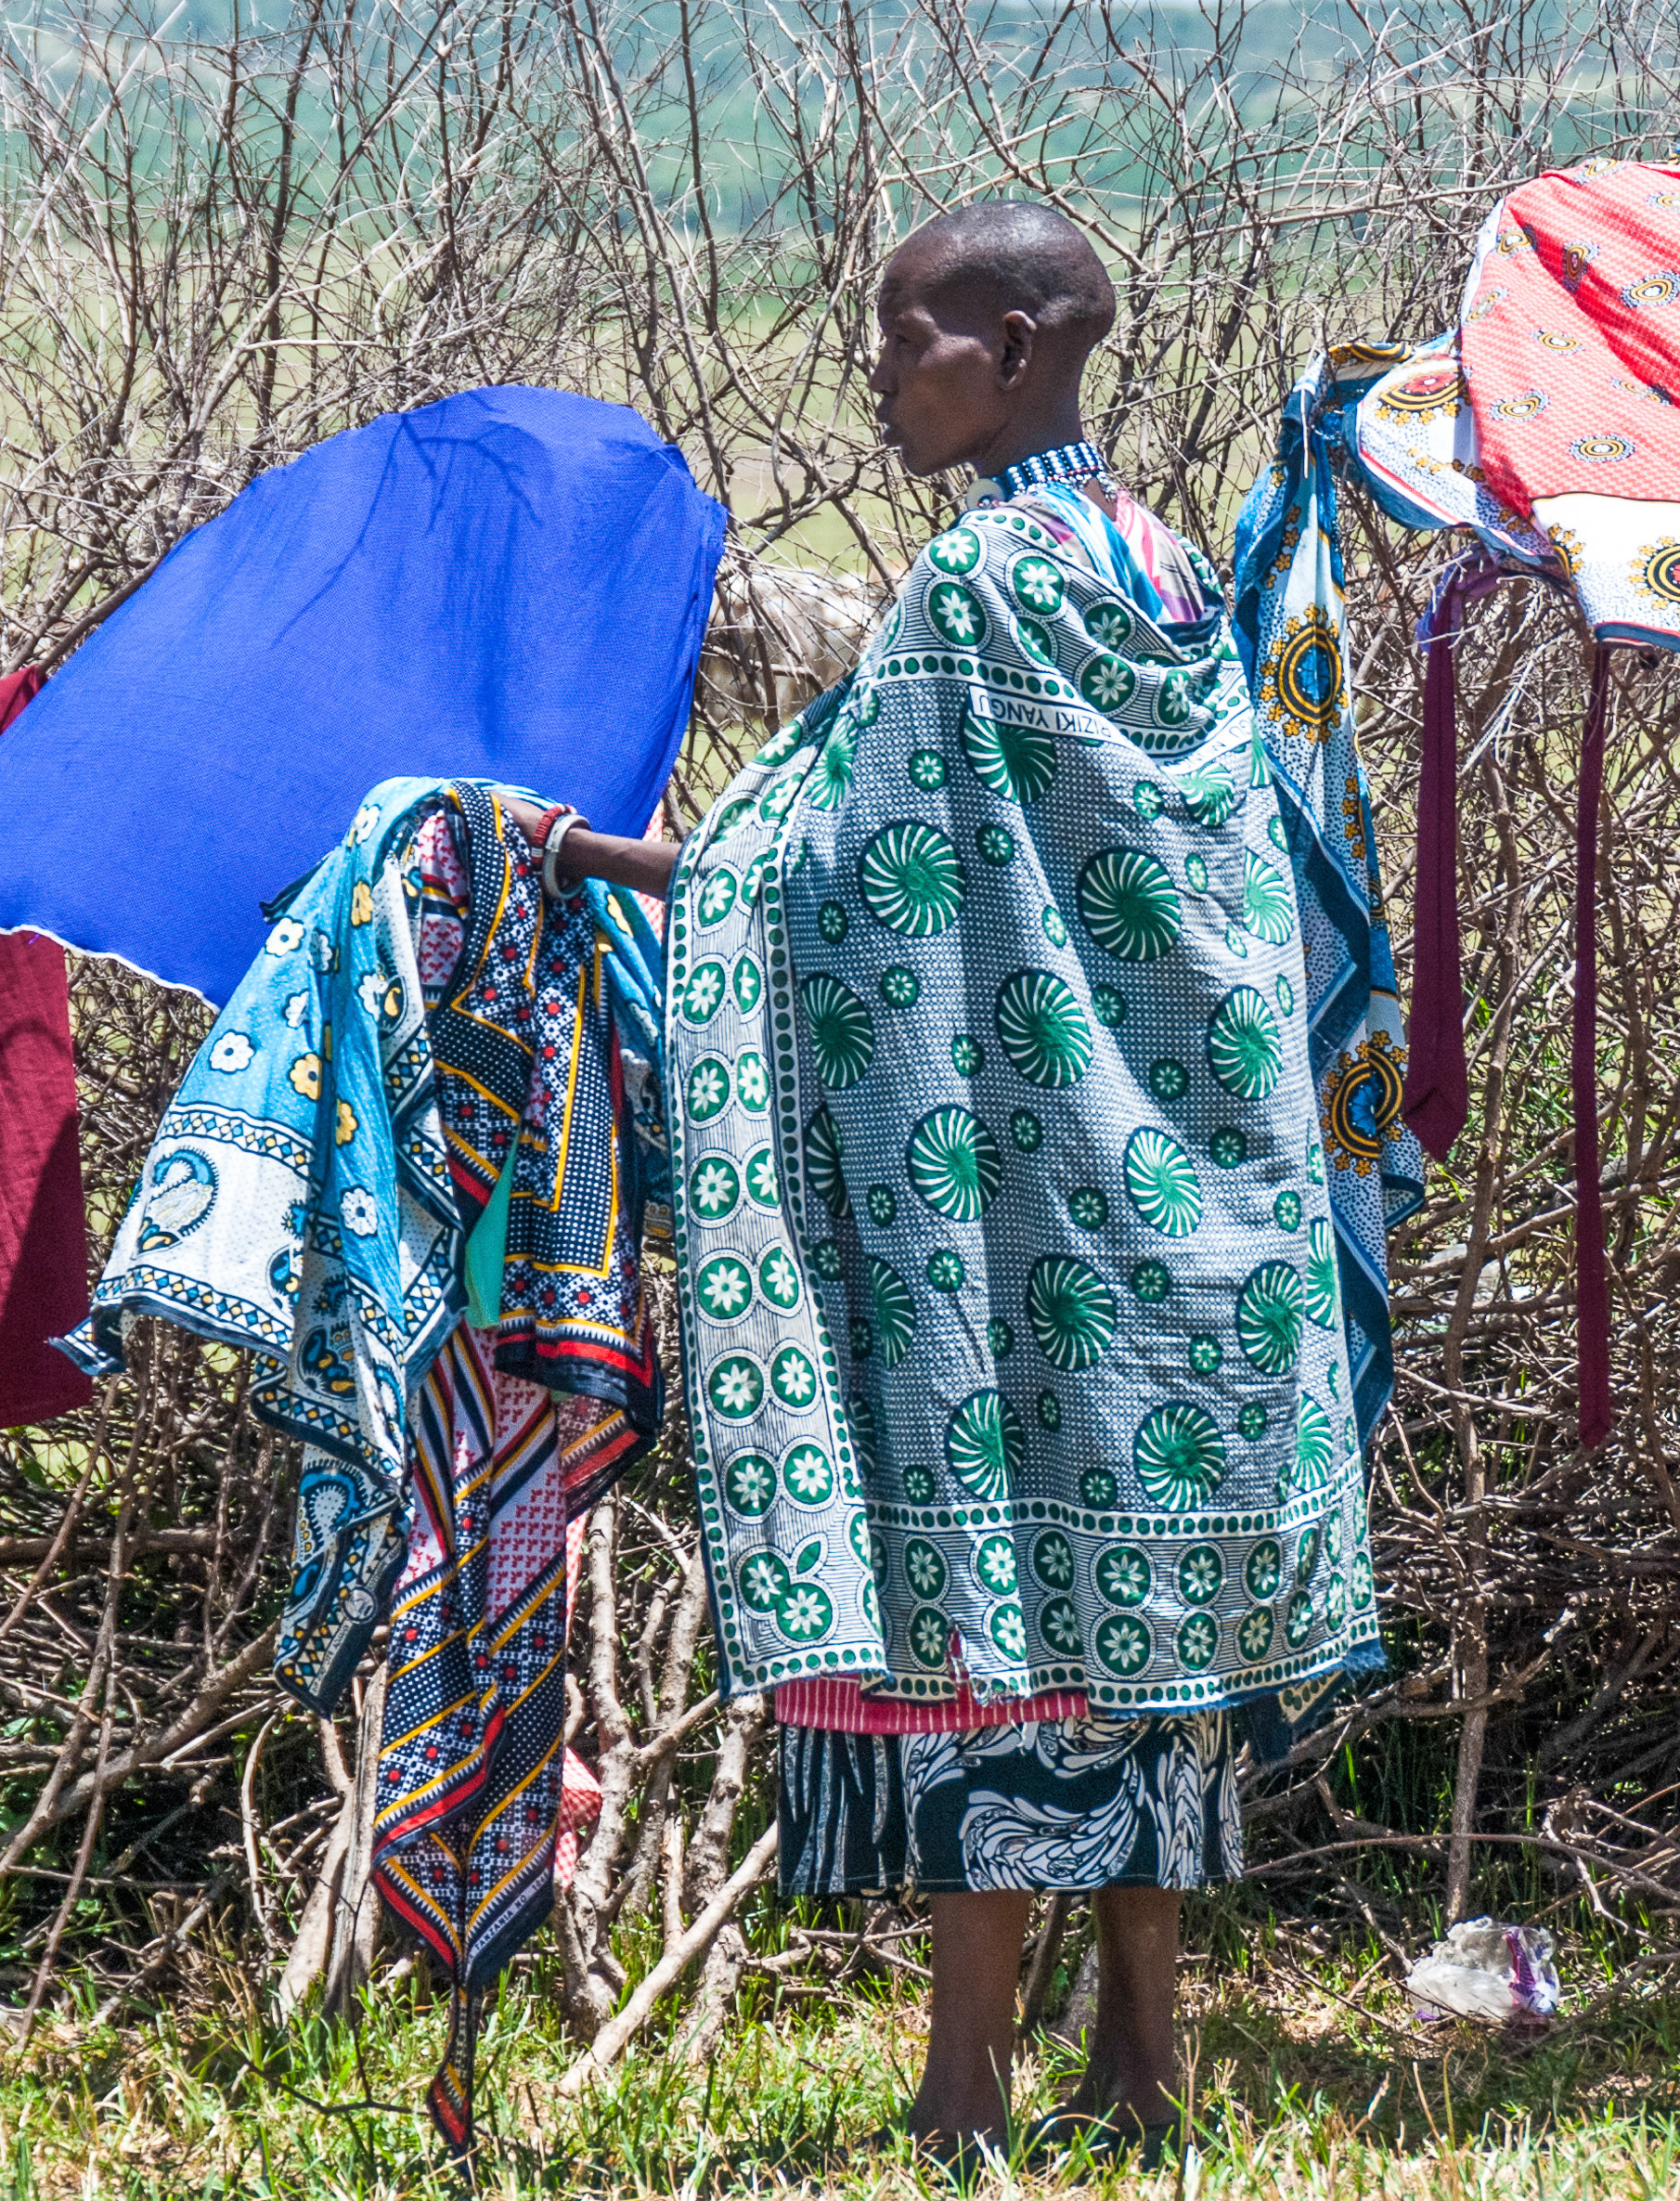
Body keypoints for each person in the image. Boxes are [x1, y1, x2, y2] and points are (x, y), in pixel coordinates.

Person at [519, 201, 1388, 2164]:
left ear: (1008, 348)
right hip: (1197, 1214)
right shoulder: (1163, 565)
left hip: (1020, 1221)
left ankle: (966, 2078)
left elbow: (835, 880)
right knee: (1145, 1636)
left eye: (904, 336)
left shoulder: (985, 586)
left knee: (987, 1623)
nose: (877, 372)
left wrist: (583, 863)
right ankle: (1148, 2064)